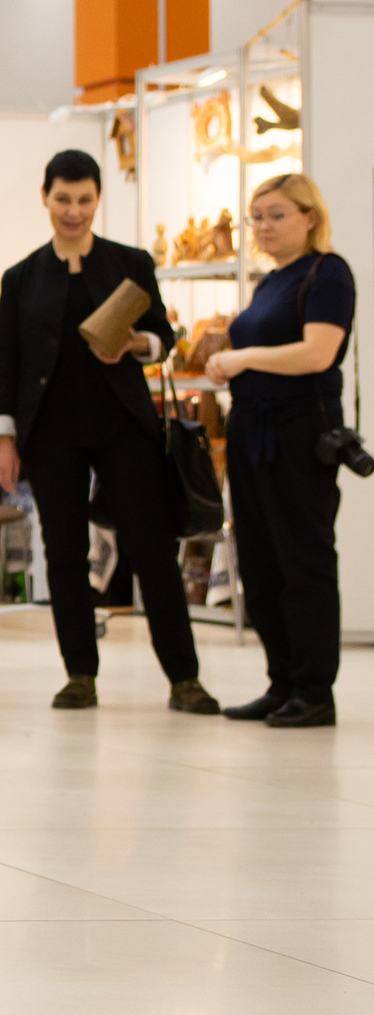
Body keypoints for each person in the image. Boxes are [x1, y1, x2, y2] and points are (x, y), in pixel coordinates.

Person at [0, 150, 216, 713]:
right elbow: (6, 364)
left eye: (85, 200)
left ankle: (185, 678)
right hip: (51, 433)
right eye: (63, 199)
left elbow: (164, 336)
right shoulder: (21, 278)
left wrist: (136, 342)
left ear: (97, 199)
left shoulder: (130, 262)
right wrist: (4, 439)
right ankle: (79, 675)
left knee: (151, 548)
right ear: (45, 197)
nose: (74, 211)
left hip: (123, 426)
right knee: (64, 554)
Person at [205, 171, 355, 728]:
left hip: (298, 434)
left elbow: (318, 353)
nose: (264, 227)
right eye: (257, 217)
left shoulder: (328, 273)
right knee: (261, 562)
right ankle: (282, 681)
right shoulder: (270, 283)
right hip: (252, 430)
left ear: (309, 217)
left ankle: (314, 689)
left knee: (303, 560)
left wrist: (244, 359)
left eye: (277, 215)